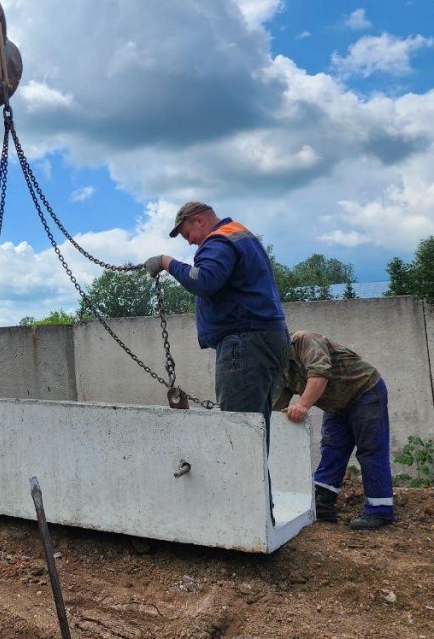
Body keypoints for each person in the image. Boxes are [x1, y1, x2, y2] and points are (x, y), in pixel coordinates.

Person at [143, 202, 290, 424]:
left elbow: (204, 280)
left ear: (199, 221)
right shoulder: (242, 236)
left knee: (239, 429)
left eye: (188, 234)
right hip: (268, 338)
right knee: (257, 428)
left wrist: (167, 262)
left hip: (244, 343)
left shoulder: (219, 240)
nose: (190, 241)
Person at [273, 330, 394, 530]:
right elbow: (274, 411)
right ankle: (322, 504)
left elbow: (320, 373)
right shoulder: (278, 367)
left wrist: (302, 405)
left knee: (370, 450)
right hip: (336, 403)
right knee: (332, 448)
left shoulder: (304, 340)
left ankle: (379, 511)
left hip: (364, 390)